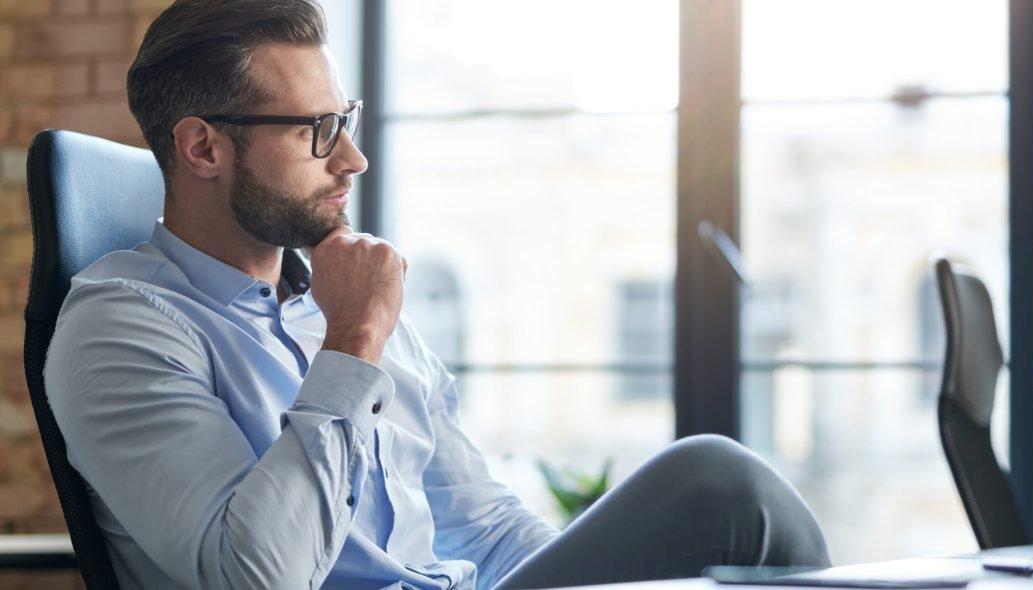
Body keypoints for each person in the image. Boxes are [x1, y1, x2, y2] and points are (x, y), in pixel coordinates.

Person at [43, 1, 830, 589]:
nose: (352, 158)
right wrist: (351, 345)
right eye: (316, 130)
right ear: (203, 147)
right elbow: (254, 577)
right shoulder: (124, 328)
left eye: (344, 119)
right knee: (722, 487)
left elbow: (482, 526)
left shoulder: (345, 296)